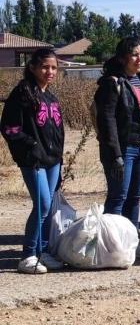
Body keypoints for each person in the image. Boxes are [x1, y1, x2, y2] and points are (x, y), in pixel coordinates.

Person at [94, 38, 140, 259]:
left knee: (134, 197)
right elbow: (107, 121)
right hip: (123, 150)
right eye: (134, 54)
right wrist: (116, 155)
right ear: (123, 58)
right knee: (118, 197)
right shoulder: (111, 83)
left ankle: (131, 244)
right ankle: (110, 248)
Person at [2, 49, 65, 274]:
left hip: (52, 161)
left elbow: (57, 130)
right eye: (45, 67)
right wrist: (31, 147)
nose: (50, 71)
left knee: (48, 208)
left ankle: (44, 252)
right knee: (43, 205)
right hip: (33, 161)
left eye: (54, 67)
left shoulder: (51, 96)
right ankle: (28, 255)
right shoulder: (22, 93)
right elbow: (10, 128)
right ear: (33, 67)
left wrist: (59, 157)